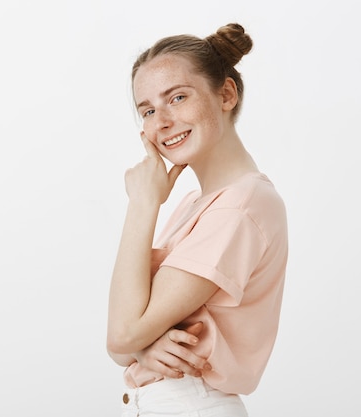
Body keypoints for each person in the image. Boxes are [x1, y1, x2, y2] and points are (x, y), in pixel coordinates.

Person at [106, 23, 288, 416]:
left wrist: (142, 204)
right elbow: (123, 339)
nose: (163, 121)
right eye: (149, 110)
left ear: (225, 94)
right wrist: (137, 345)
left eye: (178, 97)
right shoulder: (196, 204)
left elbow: (121, 334)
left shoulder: (240, 206)